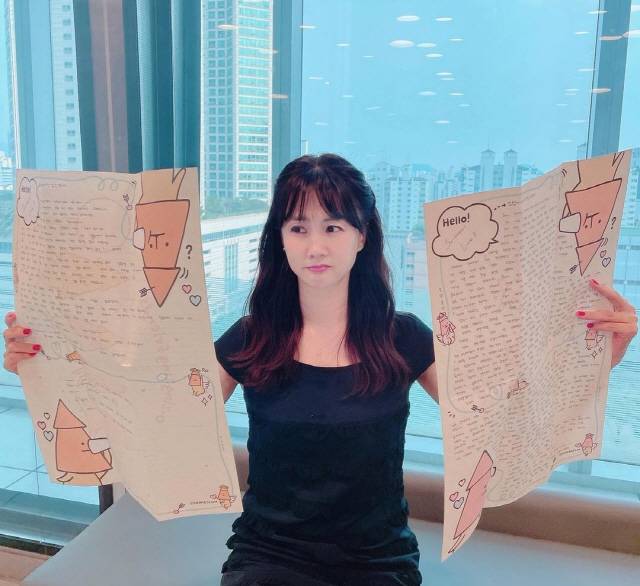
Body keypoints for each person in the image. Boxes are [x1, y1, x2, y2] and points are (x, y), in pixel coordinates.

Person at [3, 154, 638, 586]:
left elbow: (498, 422)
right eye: (298, 226)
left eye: (333, 226)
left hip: (377, 561)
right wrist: (49, 366)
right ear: (279, 238)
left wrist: (601, 355)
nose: (315, 245)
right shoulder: (251, 339)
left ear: (362, 236)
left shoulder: (404, 338)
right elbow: (157, 421)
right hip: (268, 557)